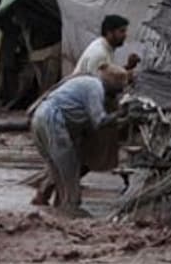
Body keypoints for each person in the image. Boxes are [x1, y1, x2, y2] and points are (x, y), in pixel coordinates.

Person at [29, 65, 133, 216]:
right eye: (119, 89)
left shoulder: (87, 83)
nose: (120, 93)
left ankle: (54, 207)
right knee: (70, 169)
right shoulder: (95, 88)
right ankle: (71, 208)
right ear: (112, 84)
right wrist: (122, 115)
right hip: (52, 120)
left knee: (58, 170)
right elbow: (99, 121)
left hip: (40, 118)